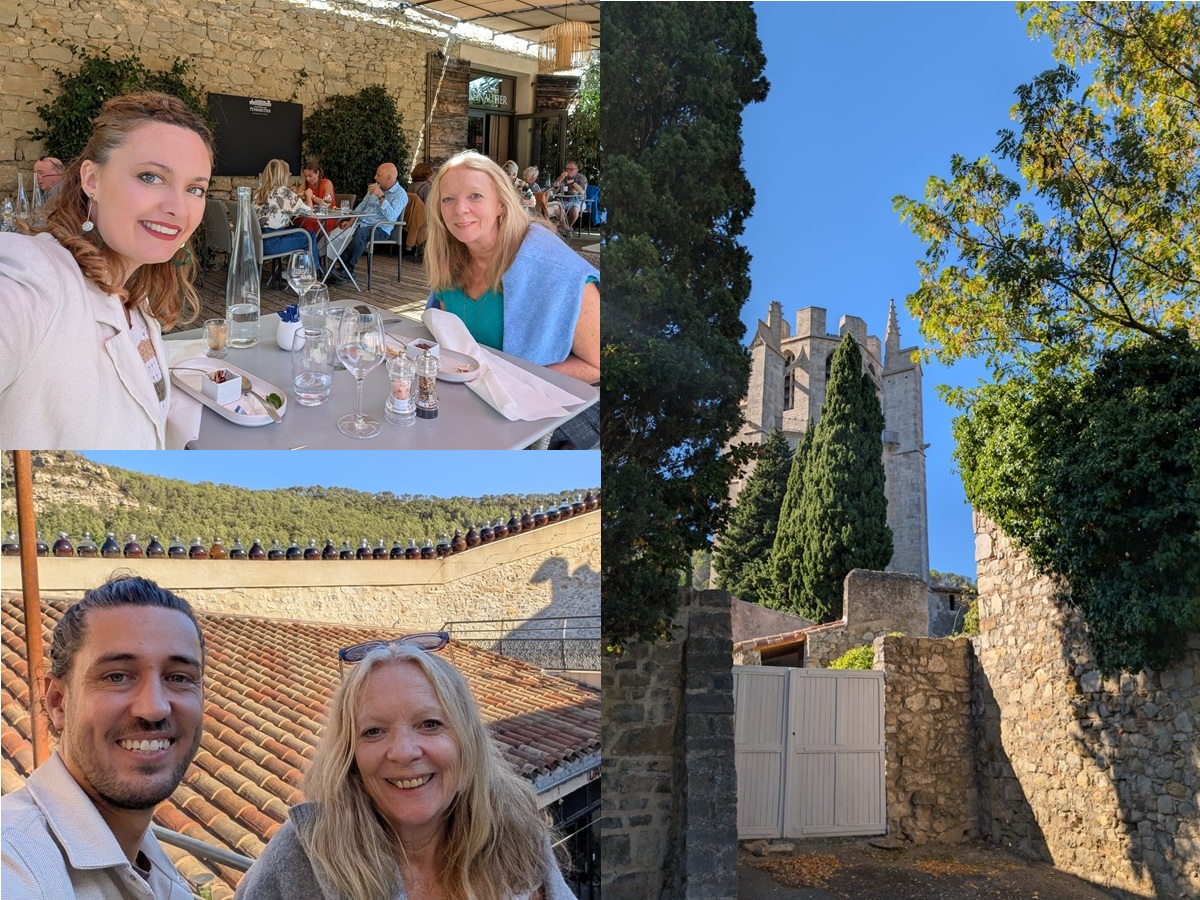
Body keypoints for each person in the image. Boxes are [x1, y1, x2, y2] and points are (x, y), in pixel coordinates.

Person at [234, 638, 576, 900]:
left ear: (467, 741)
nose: (403, 752)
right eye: (373, 731)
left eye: (429, 724)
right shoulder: (304, 853)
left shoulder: (517, 829)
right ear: (350, 754)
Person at [0, 91, 213, 449]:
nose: (178, 207)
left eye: (195, 188)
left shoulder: (135, 297)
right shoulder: (34, 282)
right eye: (151, 177)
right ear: (92, 180)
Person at [1, 574, 207, 899]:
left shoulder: (163, 880)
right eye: (117, 676)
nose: (153, 708)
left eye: (179, 678)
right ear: (58, 702)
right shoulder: (13, 862)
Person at [424, 151, 599, 386]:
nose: (459, 209)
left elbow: (597, 364)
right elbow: (451, 343)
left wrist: (513, 377)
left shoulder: (555, 267)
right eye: (448, 199)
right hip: (470, 396)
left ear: (501, 205)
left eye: (475, 196)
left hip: (545, 403)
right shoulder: (448, 258)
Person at [325, 162, 407, 286]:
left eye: (378, 175)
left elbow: (391, 217)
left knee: (359, 234)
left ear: (389, 178)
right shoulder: (375, 187)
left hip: (380, 228)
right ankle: (337, 271)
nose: (375, 177)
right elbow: (361, 206)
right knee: (336, 234)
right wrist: (351, 221)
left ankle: (347, 270)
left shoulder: (401, 195)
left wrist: (381, 196)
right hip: (361, 225)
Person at [254, 158, 322, 281]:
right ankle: (312, 277)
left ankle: (297, 271)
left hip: (257, 241)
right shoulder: (282, 191)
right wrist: (308, 197)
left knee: (299, 229)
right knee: (309, 236)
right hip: (272, 243)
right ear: (283, 175)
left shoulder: (259, 192)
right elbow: (308, 211)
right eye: (288, 174)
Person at [294, 161, 337, 237]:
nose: (307, 179)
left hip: (326, 217)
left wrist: (311, 197)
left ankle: (310, 245)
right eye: (306, 176)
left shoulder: (327, 183)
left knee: (308, 222)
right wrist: (300, 195)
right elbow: (296, 199)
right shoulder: (305, 184)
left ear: (317, 173)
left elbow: (326, 203)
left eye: (310, 176)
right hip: (310, 216)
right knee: (297, 220)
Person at [549, 161, 587, 230]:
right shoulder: (562, 177)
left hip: (578, 201)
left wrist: (573, 182)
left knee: (575, 210)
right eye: (567, 169)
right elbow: (554, 191)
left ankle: (567, 228)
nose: (568, 171)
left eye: (571, 169)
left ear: (576, 170)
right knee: (557, 208)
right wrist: (561, 178)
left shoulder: (581, 178)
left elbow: (582, 192)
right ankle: (565, 227)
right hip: (563, 200)